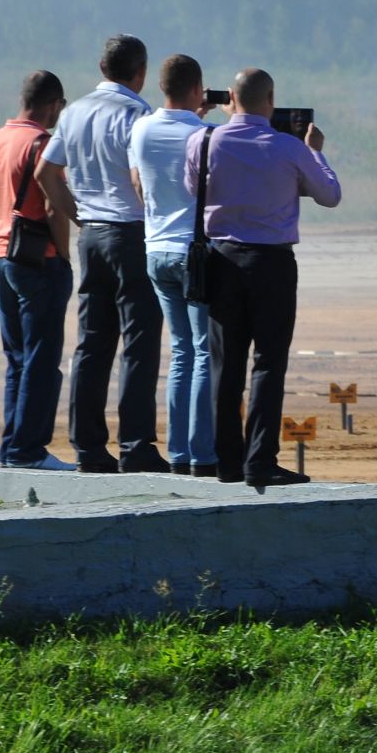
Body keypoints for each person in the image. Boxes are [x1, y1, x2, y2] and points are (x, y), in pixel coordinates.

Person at [183, 67, 341, 488]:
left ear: (230, 98)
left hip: (222, 259)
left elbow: (189, 188)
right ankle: (260, 461)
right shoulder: (289, 147)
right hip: (271, 263)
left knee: (225, 366)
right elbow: (329, 195)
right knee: (268, 365)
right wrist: (316, 153)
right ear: (271, 101)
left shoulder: (204, 140)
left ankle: (228, 462)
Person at [40, 34, 166, 473]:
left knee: (92, 344)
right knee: (140, 342)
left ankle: (89, 448)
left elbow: (46, 172)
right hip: (129, 232)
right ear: (141, 72)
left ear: (101, 67)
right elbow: (138, 177)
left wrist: (78, 215)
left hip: (91, 234)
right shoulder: (136, 113)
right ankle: (136, 446)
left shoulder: (73, 112)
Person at [0, 71, 78, 469]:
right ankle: (28, 451)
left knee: (17, 358)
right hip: (39, 261)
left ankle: (12, 450)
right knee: (41, 358)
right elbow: (54, 206)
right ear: (53, 104)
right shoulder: (41, 144)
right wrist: (65, 255)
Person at [129, 54, 218, 476]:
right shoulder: (204, 133)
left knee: (180, 352)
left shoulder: (140, 127)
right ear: (198, 89)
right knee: (203, 352)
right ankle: (202, 453)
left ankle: (179, 453)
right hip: (193, 253)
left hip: (155, 248)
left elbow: (138, 184)